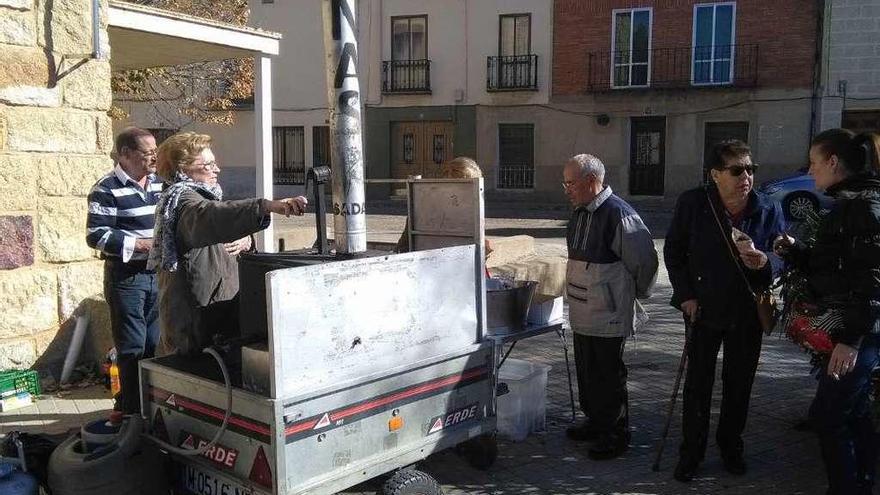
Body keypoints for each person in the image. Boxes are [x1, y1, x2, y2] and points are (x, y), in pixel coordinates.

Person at [664, 139, 786, 482]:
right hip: (702, 308)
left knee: (739, 385)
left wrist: (766, 262)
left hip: (747, 310)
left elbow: (782, 255)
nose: (746, 176)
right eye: (737, 170)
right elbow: (673, 253)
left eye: (750, 169)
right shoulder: (693, 203)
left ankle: (731, 447)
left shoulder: (766, 208)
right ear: (715, 175)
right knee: (698, 385)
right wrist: (685, 295)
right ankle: (691, 453)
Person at [774, 129, 880, 495]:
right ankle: (862, 481)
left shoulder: (861, 206)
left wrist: (850, 341)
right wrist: (795, 252)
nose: (810, 170)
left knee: (829, 416)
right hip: (857, 329)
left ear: (833, 162)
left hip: (859, 333)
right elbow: (836, 270)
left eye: (815, 162)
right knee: (853, 411)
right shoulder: (850, 203)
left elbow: (872, 280)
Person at [148, 132, 308, 356]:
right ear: (182, 170)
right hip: (195, 324)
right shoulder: (181, 201)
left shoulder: (202, 195)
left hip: (217, 314)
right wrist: (265, 206)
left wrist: (246, 238)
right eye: (208, 164)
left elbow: (221, 225)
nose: (217, 169)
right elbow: (210, 217)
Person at [561, 153, 658, 460]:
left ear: (592, 182)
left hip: (608, 310)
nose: (567, 189)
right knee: (587, 369)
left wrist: (634, 295)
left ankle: (615, 433)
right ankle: (594, 421)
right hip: (582, 309)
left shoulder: (619, 214)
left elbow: (644, 261)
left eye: (571, 183)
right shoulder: (579, 211)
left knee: (608, 374)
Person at [86, 127, 162, 414]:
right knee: (132, 348)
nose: (154, 158)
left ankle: (151, 408)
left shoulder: (159, 184)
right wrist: (142, 245)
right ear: (125, 155)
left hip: (157, 276)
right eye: (148, 153)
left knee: (154, 346)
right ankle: (131, 411)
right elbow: (97, 236)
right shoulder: (105, 189)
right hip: (126, 279)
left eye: (156, 151)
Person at [395, 156, 492, 256]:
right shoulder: (422, 206)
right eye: (447, 173)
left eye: (455, 173)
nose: (449, 176)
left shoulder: (473, 208)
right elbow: (404, 245)